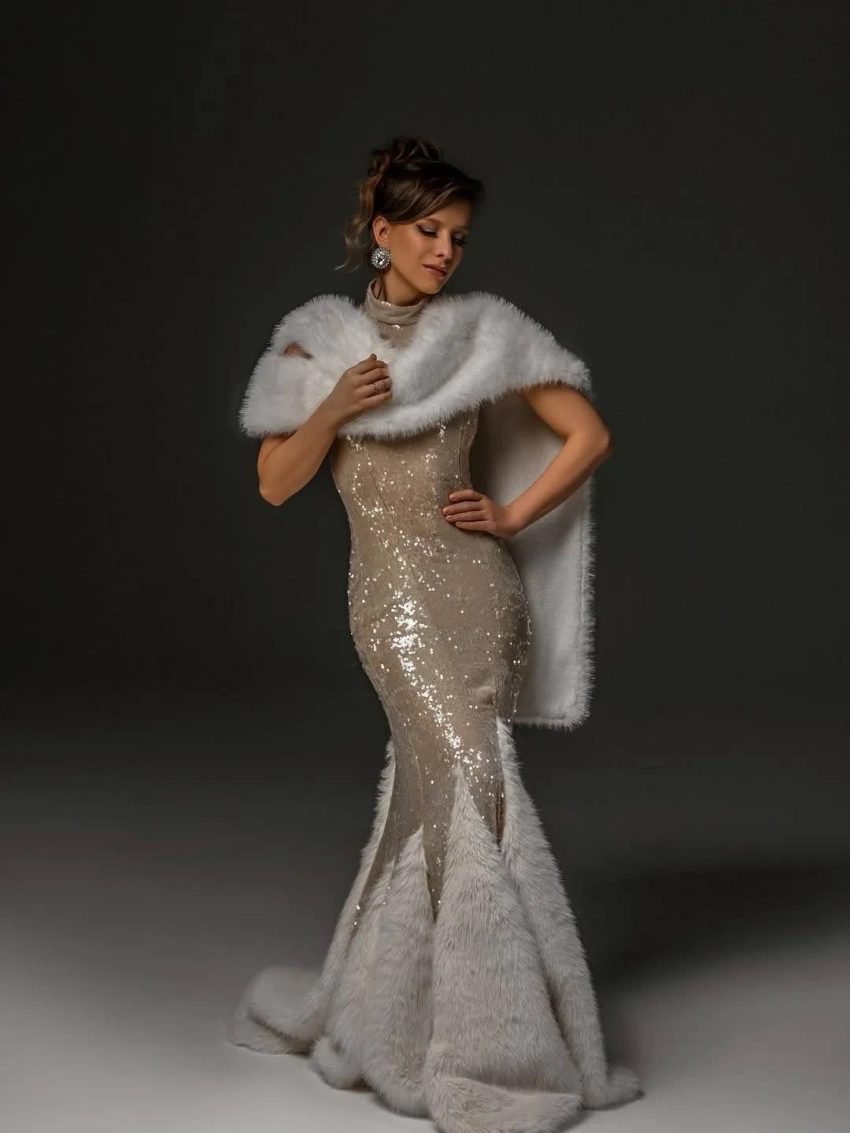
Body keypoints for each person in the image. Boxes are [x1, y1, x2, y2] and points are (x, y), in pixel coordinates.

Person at [228, 137, 643, 1133]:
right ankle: (459, 1030)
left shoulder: (483, 335)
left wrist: (511, 514)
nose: (446, 251)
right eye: (427, 231)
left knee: (458, 794)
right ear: (382, 231)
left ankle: (450, 1029)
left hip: (479, 596)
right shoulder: (317, 343)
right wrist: (334, 407)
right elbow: (276, 482)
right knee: (455, 789)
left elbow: (588, 435)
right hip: (391, 607)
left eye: (458, 235)